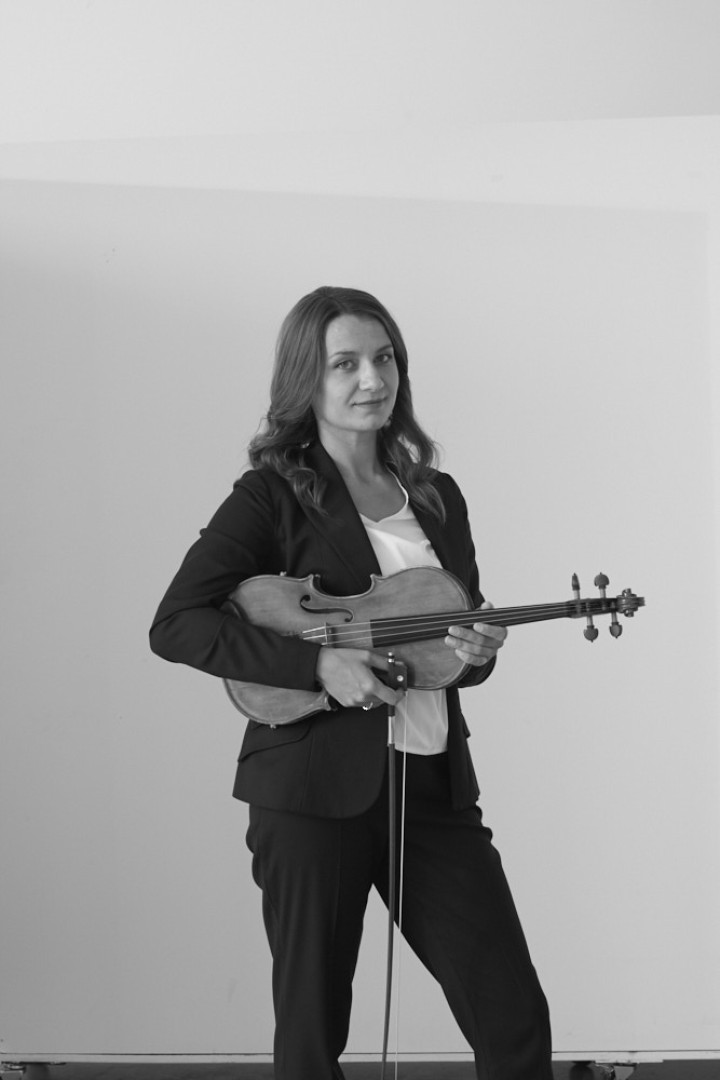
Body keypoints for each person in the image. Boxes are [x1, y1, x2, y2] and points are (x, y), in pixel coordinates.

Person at [149, 286, 553, 1080]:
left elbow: (448, 647)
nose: (373, 379)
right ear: (308, 378)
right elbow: (177, 622)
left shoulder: (437, 496)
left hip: (430, 791)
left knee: (512, 1014)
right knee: (313, 1031)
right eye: (346, 363)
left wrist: (479, 648)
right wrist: (316, 665)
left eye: (384, 357)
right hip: (310, 793)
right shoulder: (270, 495)